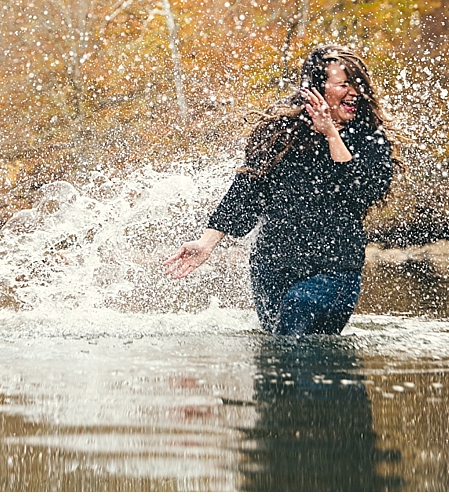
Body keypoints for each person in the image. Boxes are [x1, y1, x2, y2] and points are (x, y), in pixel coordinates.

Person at [163, 45, 397, 336]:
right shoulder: (281, 133)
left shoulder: (370, 139)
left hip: (333, 270)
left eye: (358, 84)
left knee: (294, 327)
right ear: (316, 89)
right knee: (276, 364)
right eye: (344, 84)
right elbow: (246, 190)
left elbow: (363, 192)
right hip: (273, 267)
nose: (354, 92)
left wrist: (331, 134)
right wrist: (207, 242)